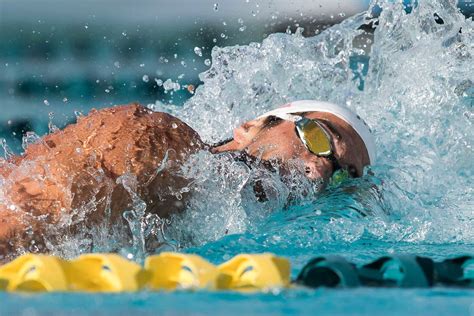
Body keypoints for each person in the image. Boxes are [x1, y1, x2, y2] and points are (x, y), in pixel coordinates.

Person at [0, 100, 375, 261]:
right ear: (251, 127)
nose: (321, 171)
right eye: (319, 138)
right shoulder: (156, 141)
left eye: (342, 175)